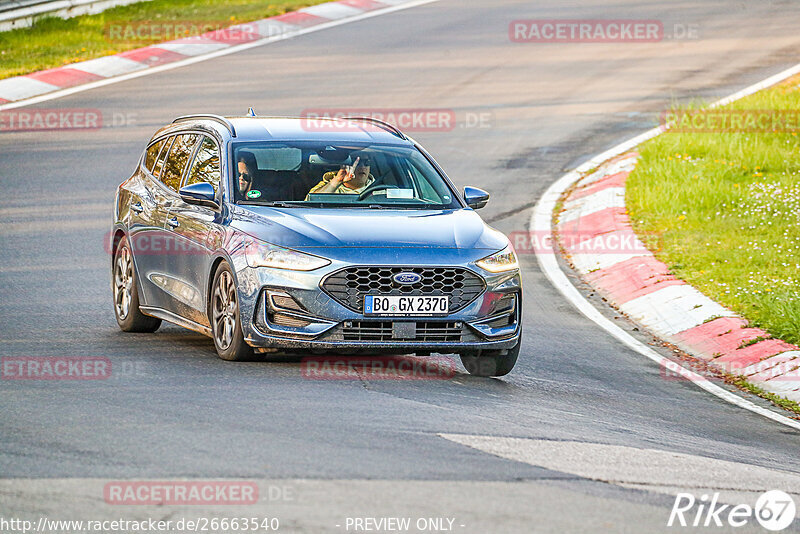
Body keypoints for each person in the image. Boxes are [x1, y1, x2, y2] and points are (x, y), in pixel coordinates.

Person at [306, 156, 374, 198]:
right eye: (357, 163)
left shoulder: (380, 189)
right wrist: (337, 181)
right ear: (345, 165)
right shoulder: (327, 186)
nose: (362, 167)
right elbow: (310, 205)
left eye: (366, 162)